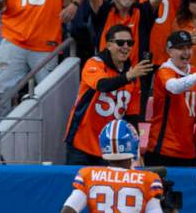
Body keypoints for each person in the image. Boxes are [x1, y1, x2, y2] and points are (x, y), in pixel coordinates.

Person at [64, 25, 154, 165]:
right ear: (109, 45)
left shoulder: (133, 75)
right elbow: (103, 85)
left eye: (130, 43)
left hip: (109, 147)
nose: (126, 47)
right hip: (82, 143)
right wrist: (129, 75)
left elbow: (132, 117)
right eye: (120, 43)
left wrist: (136, 152)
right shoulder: (94, 63)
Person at [145, 31, 196, 167]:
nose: (186, 52)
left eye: (188, 48)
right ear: (169, 51)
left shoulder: (194, 71)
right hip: (163, 149)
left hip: (188, 150)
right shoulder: (164, 71)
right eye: (180, 48)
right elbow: (174, 87)